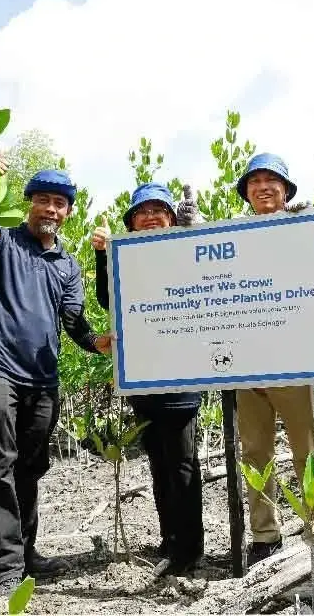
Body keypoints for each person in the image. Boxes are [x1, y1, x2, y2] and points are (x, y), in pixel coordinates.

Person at [0, 159, 112, 605]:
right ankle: (5, 569)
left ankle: (25, 552)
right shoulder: (2, 241)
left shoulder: (67, 265)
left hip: (42, 381)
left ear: (68, 212)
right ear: (29, 204)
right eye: (43, 200)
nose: (50, 209)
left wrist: (96, 342)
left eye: (59, 203)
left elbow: (74, 321)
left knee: (30, 466)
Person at [91, 182, 205, 578]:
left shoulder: (185, 249)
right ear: (132, 223)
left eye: (159, 210)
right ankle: (170, 539)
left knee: (183, 466)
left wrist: (195, 232)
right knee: (159, 465)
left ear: (172, 218)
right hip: (143, 381)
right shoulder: (128, 259)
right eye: (143, 212)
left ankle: (189, 548)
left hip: (182, 382)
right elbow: (109, 300)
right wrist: (102, 255)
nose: (151, 217)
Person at [233, 152, 314, 566]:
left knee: (308, 452)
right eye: (254, 182)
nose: (263, 188)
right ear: (246, 193)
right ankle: (264, 536)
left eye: (271, 181)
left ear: (286, 191)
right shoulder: (233, 234)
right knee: (255, 452)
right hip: (245, 364)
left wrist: (306, 223)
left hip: (294, 361)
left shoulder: (303, 228)